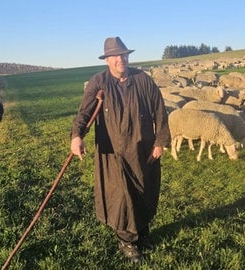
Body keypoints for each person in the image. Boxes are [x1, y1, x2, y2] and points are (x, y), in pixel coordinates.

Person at [70, 37, 171, 263]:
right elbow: (84, 114)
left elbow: (160, 110)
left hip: (143, 149)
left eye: (123, 55)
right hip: (113, 153)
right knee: (122, 197)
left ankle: (142, 233)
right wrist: (77, 136)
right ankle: (127, 241)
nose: (120, 59)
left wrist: (160, 141)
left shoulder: (142, 80)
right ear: (107, 60)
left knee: (144, 191)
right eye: (115, 56)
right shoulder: (99, 83)